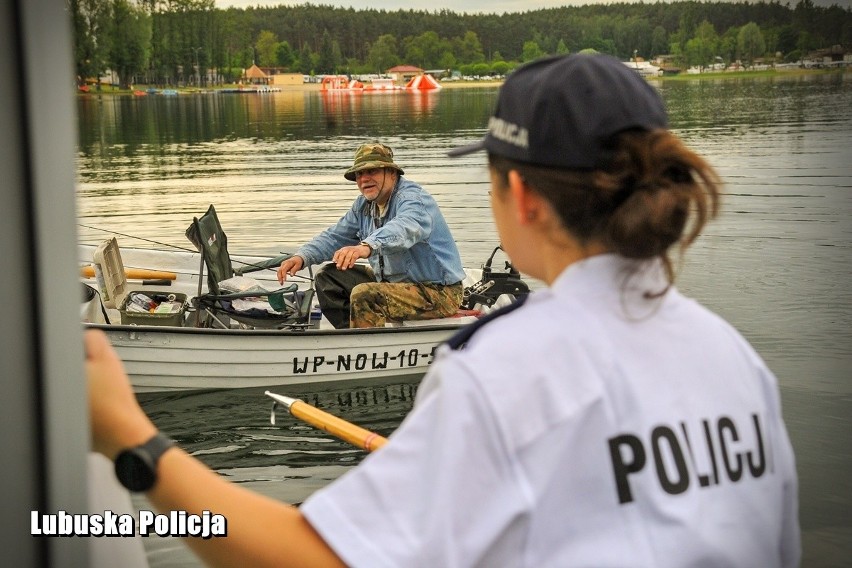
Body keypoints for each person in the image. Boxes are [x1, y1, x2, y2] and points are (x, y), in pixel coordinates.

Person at [86, 53, 799, 567]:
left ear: (519, 197)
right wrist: (303, 258)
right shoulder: (735, 359)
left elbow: (314, 559)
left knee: (361, 289)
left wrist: (129, 436)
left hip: (434, 296)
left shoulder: (498, 370)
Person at [276, 142, 466, 328]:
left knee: (365, 294)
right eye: (359, 173)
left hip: (440, 293)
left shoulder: (413, 200)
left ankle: (364, 346)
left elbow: (404, 228)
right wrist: (303, 256)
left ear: (391, 173)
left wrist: (366, 246)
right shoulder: (363, 206)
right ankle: (351, 336)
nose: (364, 179)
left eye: (372, 171)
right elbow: (335, 237)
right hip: (391, 284)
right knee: (328, 278)